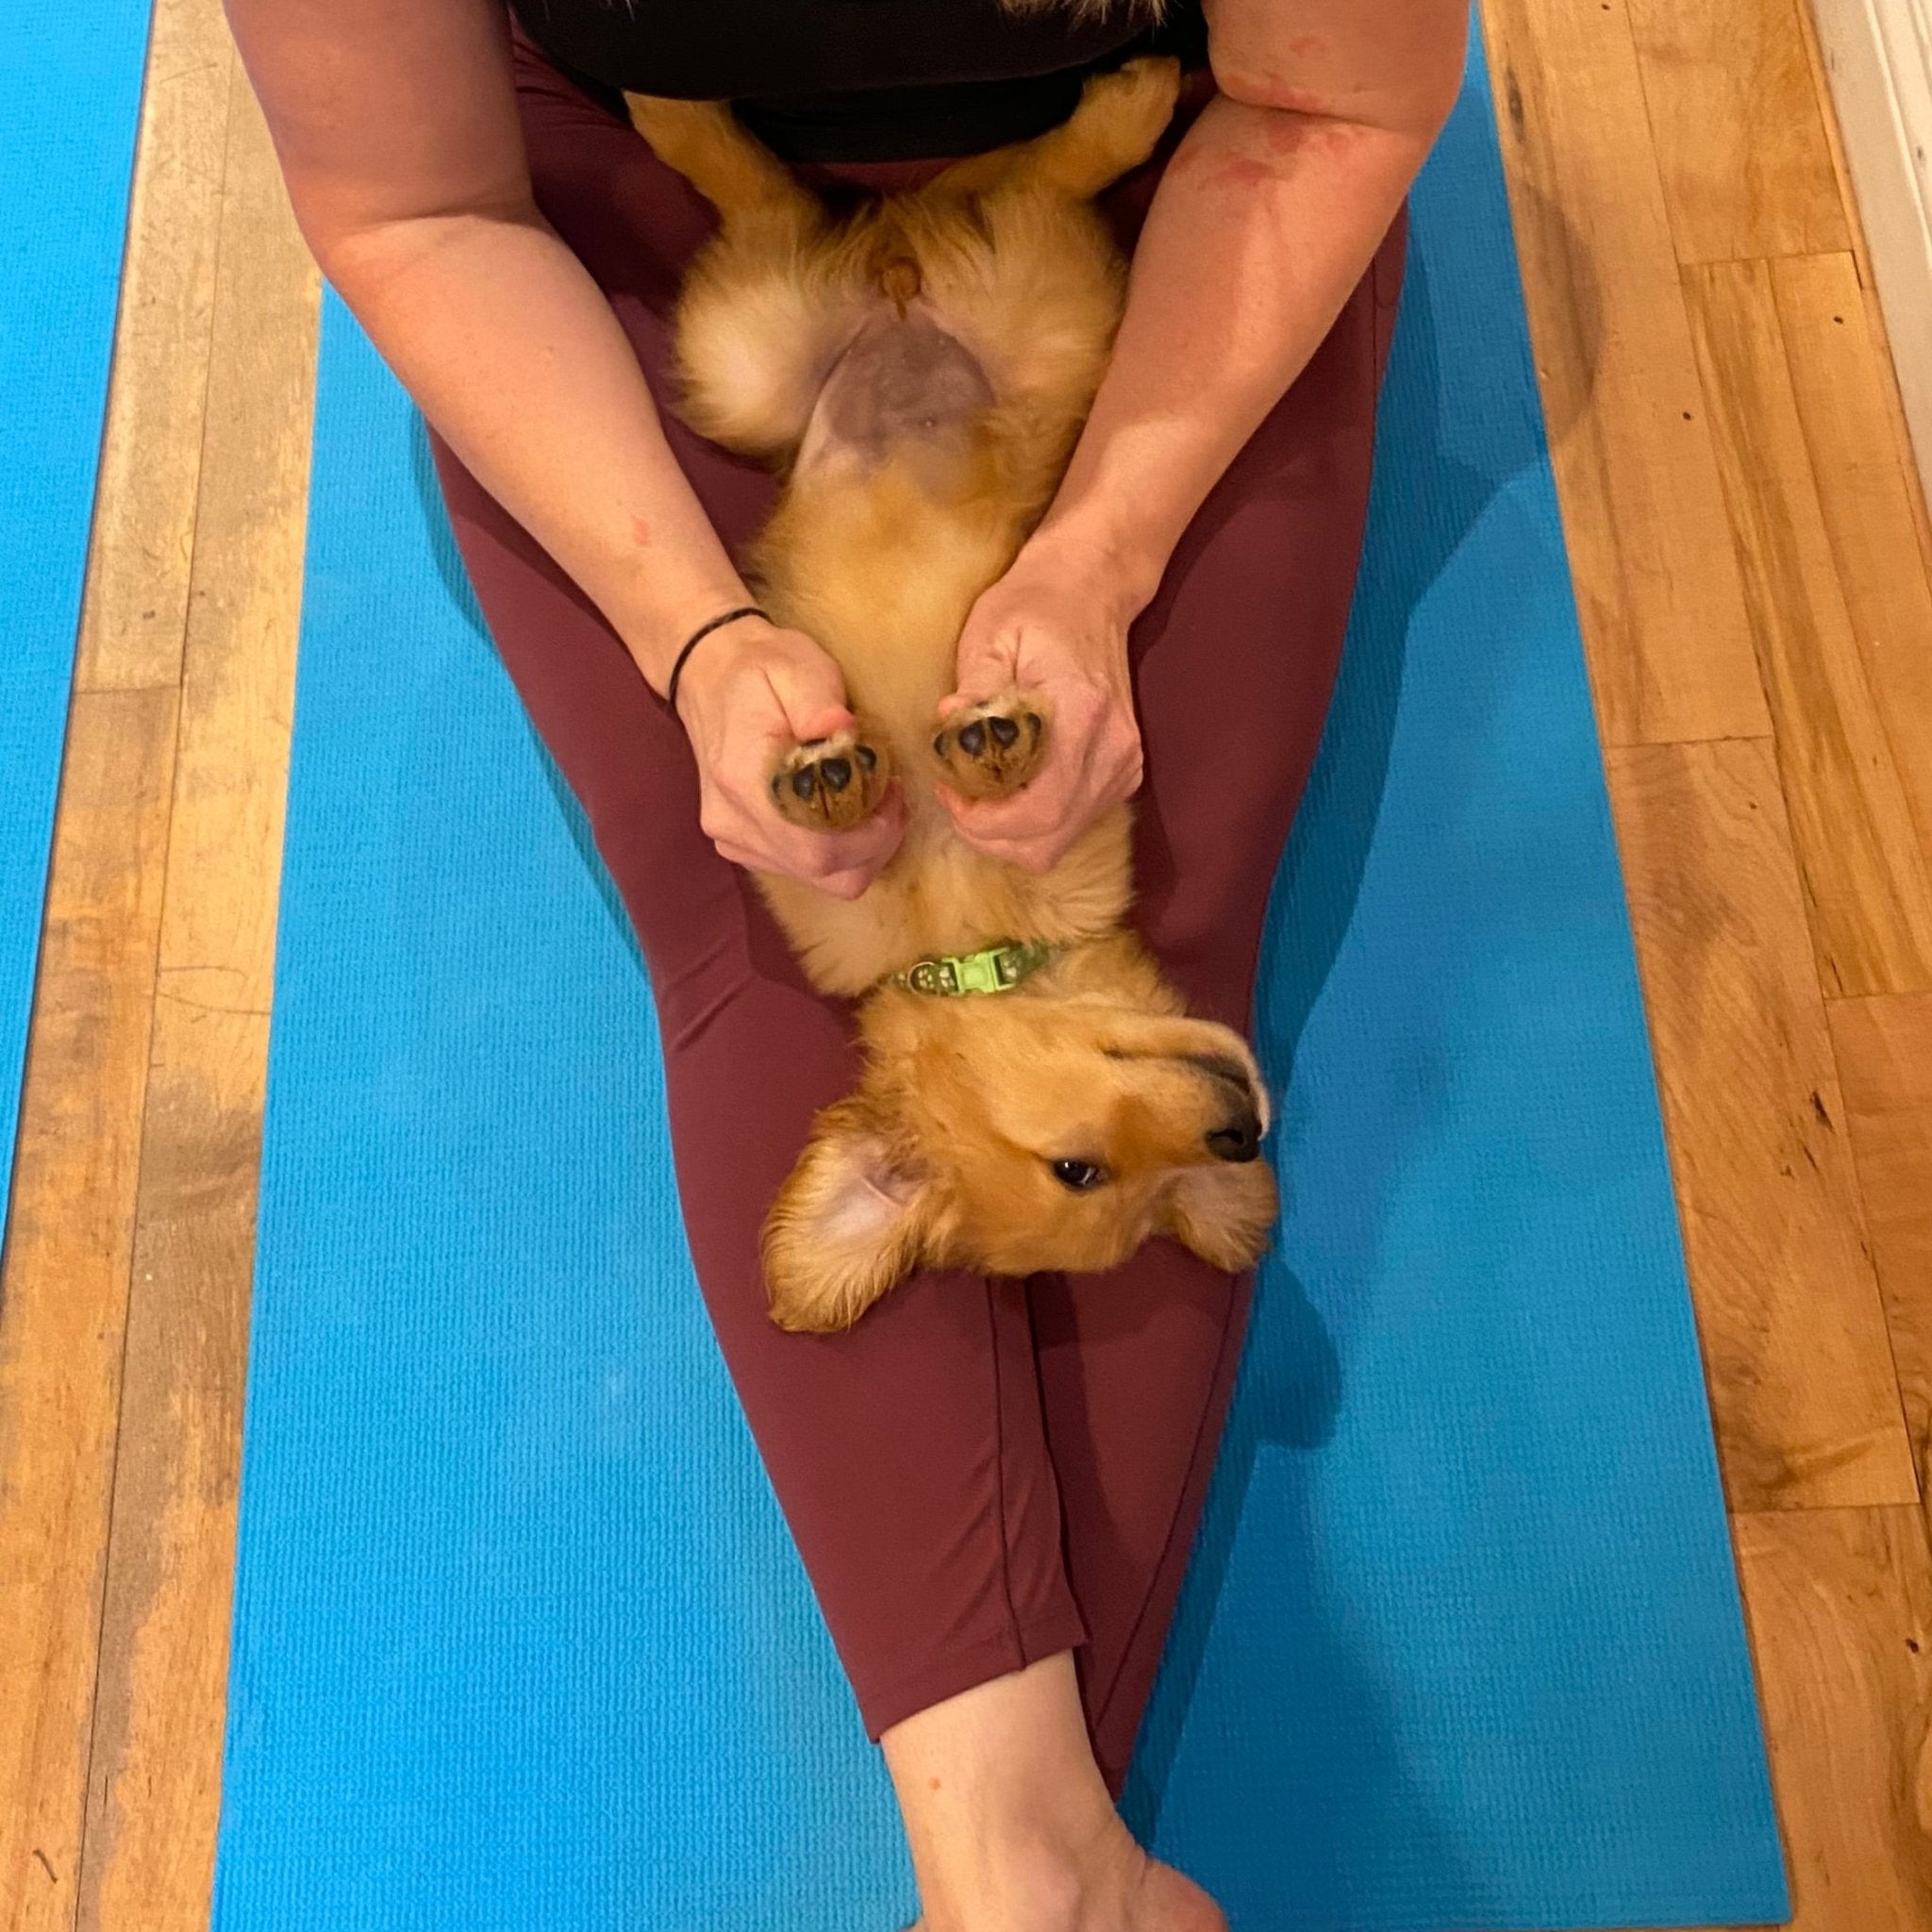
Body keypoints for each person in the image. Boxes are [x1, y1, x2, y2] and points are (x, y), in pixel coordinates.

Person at [225, 0, 1465, 1925]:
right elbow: (418, 206)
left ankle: (1012, 1883)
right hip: (641, 195)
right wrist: (694, 633)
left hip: (1156, 193)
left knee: (1128, 917)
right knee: (782, 927)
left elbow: (1331, 99)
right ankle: (1033, 1875)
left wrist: (1101, 556)